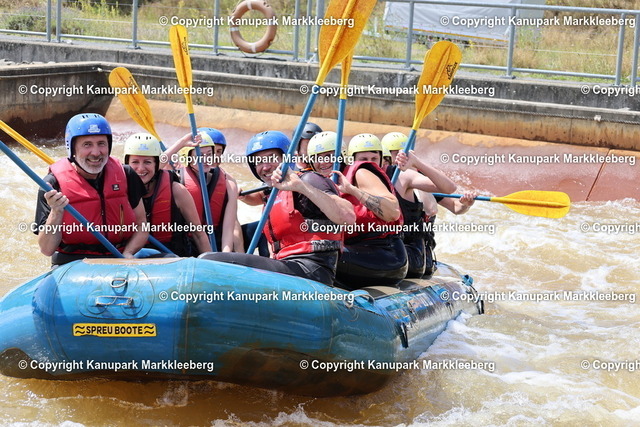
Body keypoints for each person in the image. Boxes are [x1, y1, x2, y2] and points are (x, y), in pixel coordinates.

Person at [200, 131, 355, 286]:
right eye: (259, 161)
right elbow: (262, 200)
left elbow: (348, 216)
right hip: (288, 266)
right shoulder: (273, 191)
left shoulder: (309, 180)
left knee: (210, 261)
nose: (265, 167)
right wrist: (242, 195)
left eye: (271, 158)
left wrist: (302, 187)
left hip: (312, 270)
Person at [34, 113, 148, 266]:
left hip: (119, 256)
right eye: (87, 145)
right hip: (74, 262)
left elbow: (142, 224)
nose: (96, 153)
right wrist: (56, 211)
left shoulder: (126, 174)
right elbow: (46, 249)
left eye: (101, 143)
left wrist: (128, 253)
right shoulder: (52, 185)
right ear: (72, 148)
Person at [331, 133, 408, 289]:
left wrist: (353, 190)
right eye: (364, 158)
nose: (369, 162)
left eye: (374, 158)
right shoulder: (327, 180)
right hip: (357, 249)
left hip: (386, 253)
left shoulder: (362, 172)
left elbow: (393, 213)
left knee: (323, 255)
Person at [123, 132, 212, 257]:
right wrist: (181, 143)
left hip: (172, 258)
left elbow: (198, 234)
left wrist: (210, 264)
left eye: (147, 162)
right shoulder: (119, 188)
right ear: (127, 164)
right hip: (133, 255)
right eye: (135, 162)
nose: (141, 168)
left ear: (156, 164)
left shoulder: (177, 191)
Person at [381, 132, 457, 278]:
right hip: (392, 247)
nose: (400, 158)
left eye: (405, 154)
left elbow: (455, 205)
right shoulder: (380, 178)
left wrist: (466, 203)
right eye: (395, 154)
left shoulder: (416, 178)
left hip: (417, 255)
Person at [164, 129, 239, 252]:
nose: (206, 159)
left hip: (216, 244)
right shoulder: (176, 180)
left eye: (209, 154)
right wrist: (182, 142)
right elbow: (154, 167)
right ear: (188, 158)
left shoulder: (228, 182)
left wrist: (225, 254)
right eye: (199, 156)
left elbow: (228, 229)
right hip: (185, 247)